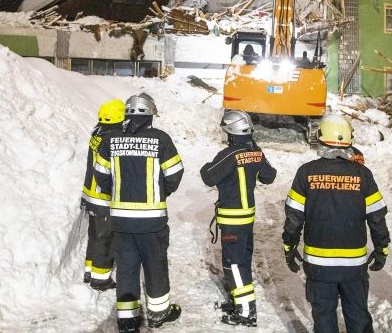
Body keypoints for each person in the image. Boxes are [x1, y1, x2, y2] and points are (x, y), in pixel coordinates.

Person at [283, 115, 390, 333]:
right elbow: (377, 216)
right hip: (353, 266)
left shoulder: (306, 172)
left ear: (320, 138)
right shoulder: (363, 174)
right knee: (358, 315)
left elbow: (294, 217)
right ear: (350, 141)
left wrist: (289, 246)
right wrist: (382, 248)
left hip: (319, 265)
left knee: (323, 316)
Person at [94, 93, 184, 333]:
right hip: (152, 221)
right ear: (151, 114)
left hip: (121, 220)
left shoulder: (110, 140)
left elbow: (100, 174)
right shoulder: (161, 140)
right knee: (155, 267)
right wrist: (160, 193)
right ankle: (158, 313)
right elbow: (175, 173)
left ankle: (127, 319)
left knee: (126, 268)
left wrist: (116, 192)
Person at [200, 110, 277, 327]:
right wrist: (256, 157)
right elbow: (269, 176)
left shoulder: (229, 154)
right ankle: (238, 301)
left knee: (233, 264)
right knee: (242, 261)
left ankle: (245, 311)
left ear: (231, 132)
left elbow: (208, 176)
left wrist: (206, 165)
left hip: (232, 219)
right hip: (247, 219)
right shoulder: (256, 152)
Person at [80, 98, 125, 291]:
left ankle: (89, 271)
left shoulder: (97, 132)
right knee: (105, 238)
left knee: (94, 234)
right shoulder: (113, 138)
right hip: (103, 197)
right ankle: (100, 279)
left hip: (90, 194)